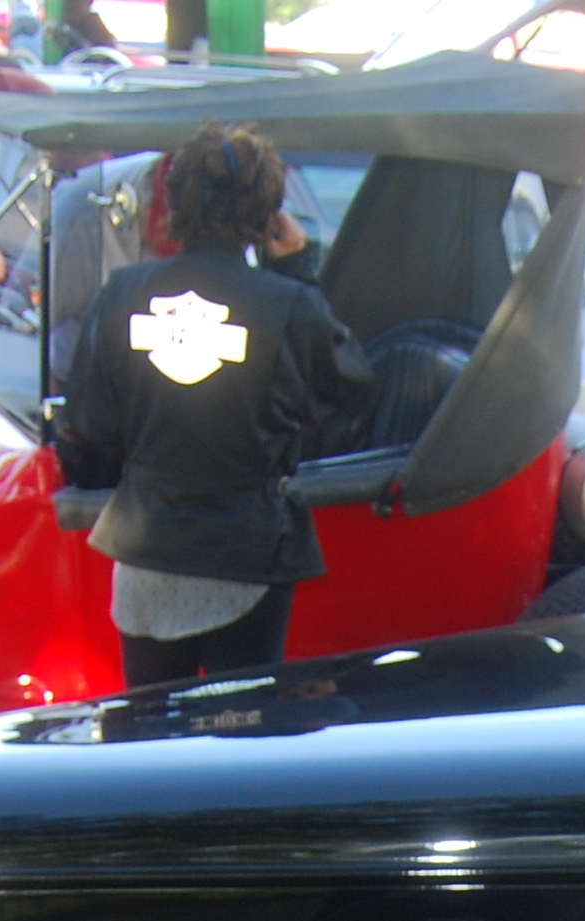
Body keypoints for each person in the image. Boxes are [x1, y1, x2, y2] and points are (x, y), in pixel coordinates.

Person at [61, 123, 371, 685]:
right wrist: (295, 268)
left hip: (147, 553)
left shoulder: (123, 294)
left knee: (150, 723)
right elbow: (344, 384)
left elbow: (89, 421)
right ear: (267, 213)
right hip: (246, 554)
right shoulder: (287, 304)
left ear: (175, 202)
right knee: (244, 720)